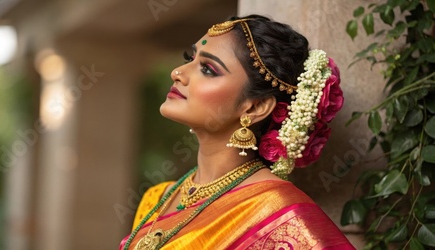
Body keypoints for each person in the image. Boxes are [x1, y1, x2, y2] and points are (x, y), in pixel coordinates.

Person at [120, 14, 353, 249]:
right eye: (189, 58)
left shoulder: (275, 210)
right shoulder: (157, 198)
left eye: (208, 69)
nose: (178, 72)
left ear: (254, 107)